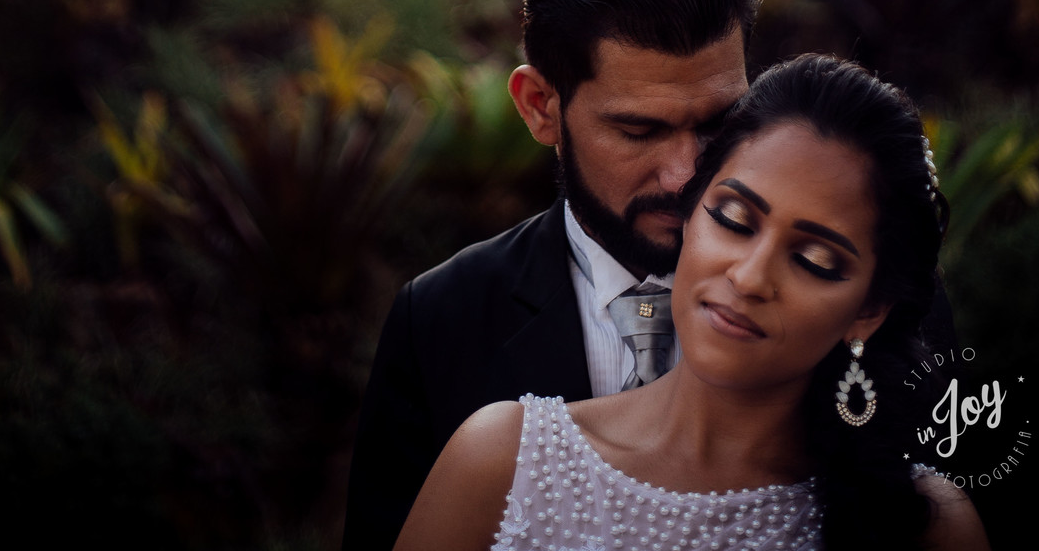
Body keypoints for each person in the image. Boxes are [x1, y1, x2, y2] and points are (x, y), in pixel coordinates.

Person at [393, 54, 988, 551]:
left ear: (868, 311)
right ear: (690, 214)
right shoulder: (503, 460)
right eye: (733, 219)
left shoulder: (928, 524)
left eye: (815, 261)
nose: (751, 276)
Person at [342, 0, 758, 551]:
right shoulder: (439, 322)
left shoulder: (845, 302)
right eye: (638, 129)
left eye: (718, 123)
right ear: (540, 108)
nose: (685, 173)